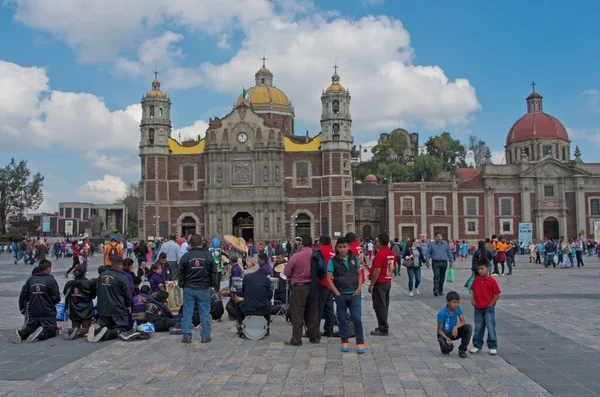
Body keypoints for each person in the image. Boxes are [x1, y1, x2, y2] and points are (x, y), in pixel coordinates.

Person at [326, 237, 365, 354]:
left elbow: (359, 274)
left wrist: (359, 288)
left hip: (354, 294)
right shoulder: (333, 261)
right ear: (337, 248)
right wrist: (337, 293)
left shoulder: (354, 258)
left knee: (357, 319)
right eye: (340, 247)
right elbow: (329, 278)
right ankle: (344, 341)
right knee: (342, 320)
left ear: (348, 247)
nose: (343, 249)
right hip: (341, 294)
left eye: (344, 247)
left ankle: (360, 343)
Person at [178, 234, 218, 344]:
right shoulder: (208, 256)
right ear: (202, 243)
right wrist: (212, 284)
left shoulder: (185, 257)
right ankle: (205, 336)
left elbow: (180, 272)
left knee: (187, 313)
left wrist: (182, 284)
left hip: (189, 287)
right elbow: (213, 272)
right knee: (204, 313)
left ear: (190, 244)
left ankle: (187, 336)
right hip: (204, 288)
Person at [283, 235, 320, 346]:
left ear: (302, 244)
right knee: (313, 313)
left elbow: (287, 273)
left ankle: (296, 339)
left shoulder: (296, 256)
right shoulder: (316, 255)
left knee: (297, 313)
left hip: (299, 287)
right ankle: (314, 337)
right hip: (313, 286)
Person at [13, 259, 61, 343]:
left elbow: (24, 296)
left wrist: (23, 308)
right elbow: (56, 297)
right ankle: (40, 334)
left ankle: (21, 334)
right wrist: (51, 304)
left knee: (30, 328)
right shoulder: (51, 280)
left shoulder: (31, 279)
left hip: (33, 311)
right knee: (51, 330)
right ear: (48, 269)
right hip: (48, 312)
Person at [88, 256, 132, 343]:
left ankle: (97, 331)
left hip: (103, 308)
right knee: (121, 328)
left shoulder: (102, 275)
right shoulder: (121, 277)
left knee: (106, 326)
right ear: (120, 266)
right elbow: (127, 294)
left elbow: (97, 290)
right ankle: (105, 335)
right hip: (117, 308)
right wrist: (128, 305)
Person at [469, 258, 501, 355]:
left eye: (482, 269)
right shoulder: (476, 280)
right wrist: (472, 300)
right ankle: (477, 345)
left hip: (488, 307)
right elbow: (473, 291)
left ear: (488, 268)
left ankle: (492, 345)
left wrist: (491, 303)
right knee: (478, 327)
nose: (480, 271)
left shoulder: (492, 281)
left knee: (490, 326)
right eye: (478, 269)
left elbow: (497, 294)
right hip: (478, 307)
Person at [235, 265, 273, 338]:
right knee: (269, 304)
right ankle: (267, 327)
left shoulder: (246, 277)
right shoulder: (267, 280)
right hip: (262, 310)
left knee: (238, 303)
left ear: (256, 272)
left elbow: (242, 292)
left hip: (247, 309)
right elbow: (269, 296)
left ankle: (240, 325)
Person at [368, 234, 395, 336]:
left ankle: (383, 328)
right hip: (387, 282)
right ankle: (382, 326)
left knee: (379, 306)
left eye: (377, 241)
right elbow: (392, 268)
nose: (376, 243)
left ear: (379, 242)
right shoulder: (391, 253)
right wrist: (387, 276)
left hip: (380, 283)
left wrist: (371, 284)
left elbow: (377, 270)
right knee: (384, 305)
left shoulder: (380, 254)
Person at [62, 264, 97, 340]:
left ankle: (69, 330)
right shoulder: (89, 283)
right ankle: (78, 332)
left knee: (75, 327)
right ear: (84, 273)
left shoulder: (69, 283)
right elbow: (93, 296)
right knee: (86, 329)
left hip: (74, 309)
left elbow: (65, 293)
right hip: (86, 309)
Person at [313, 235, 337, 338]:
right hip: (331, 283)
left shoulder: (320, 251)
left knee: (318, 308)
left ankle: (314, 331)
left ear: (321, 242)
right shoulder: (333, 252)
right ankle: (329, 330)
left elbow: (317, 267)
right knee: (329, 308)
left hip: (322, 282)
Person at [437, 291, 472, 358]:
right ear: (448, 302)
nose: (456, 304)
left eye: (457, 302)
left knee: (468, 328)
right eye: (454, 302)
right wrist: (446, 338)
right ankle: (443, 345)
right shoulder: (442, 313)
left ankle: (462, 350)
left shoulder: (457, 309)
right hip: (444, 334)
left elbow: (463, 321)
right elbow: (439, 330)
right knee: (447, 350)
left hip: (453, 332)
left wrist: (456, 327)